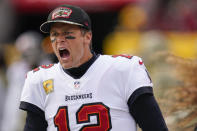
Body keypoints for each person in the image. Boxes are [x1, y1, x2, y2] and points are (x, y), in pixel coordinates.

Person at [19, 4, 168, 131]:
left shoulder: (123, 69)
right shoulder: (40, 80)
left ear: (87, 37)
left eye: (67, 33)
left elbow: (155, 127)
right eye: (54, 34)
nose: (59, 40)